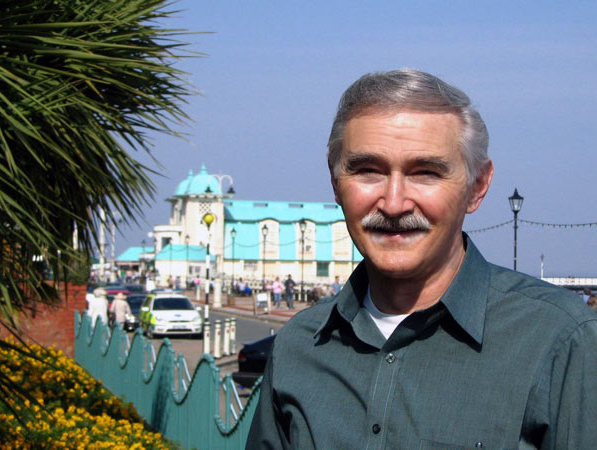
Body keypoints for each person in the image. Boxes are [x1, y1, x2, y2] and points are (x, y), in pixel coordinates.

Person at [247, 69, 597, 448]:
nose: (394, 203)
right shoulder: (299, 346)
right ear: (335, 182)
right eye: (368, 171)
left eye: (425, 173)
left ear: (476, 187)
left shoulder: (558, 342)